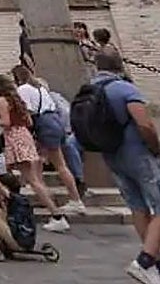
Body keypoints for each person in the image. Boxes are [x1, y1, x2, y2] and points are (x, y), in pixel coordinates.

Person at [85, 51, 160, 284]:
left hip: (112, 156)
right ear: (120, 65)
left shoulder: (89, 90)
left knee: (137, 206)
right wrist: (156, 147)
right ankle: (145, 260)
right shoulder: (124, 89)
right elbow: (144, 124)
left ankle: (152, 262)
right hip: (138, 154)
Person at [0, 73, 69, 233]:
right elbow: (29, 121)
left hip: (14, 138)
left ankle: (56, 214)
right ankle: (10, 209)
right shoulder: (16, 100)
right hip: (23, 135)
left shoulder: (2, 101)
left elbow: (6, 122)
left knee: (32, 180)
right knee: (13, 175)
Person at [11, 64, 84, 214]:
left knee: (60, 165)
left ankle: (75, 199)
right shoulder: (40, 88)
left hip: (44, 125)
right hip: (55, 122)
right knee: (38, 162)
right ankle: (45, 197)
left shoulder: (23, 89)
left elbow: (27, 111)